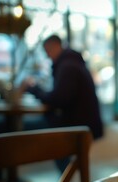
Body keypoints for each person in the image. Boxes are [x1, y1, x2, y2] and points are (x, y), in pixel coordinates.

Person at [22, 34, 103, 172]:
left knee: (15, 128)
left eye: (48, 51)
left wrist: (32, 88)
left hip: (76, 126)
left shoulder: (67, 66)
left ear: (54, 46)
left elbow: (58, 99)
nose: (48, 56)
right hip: (84, 123)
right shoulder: (73, 62)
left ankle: (0, 179)